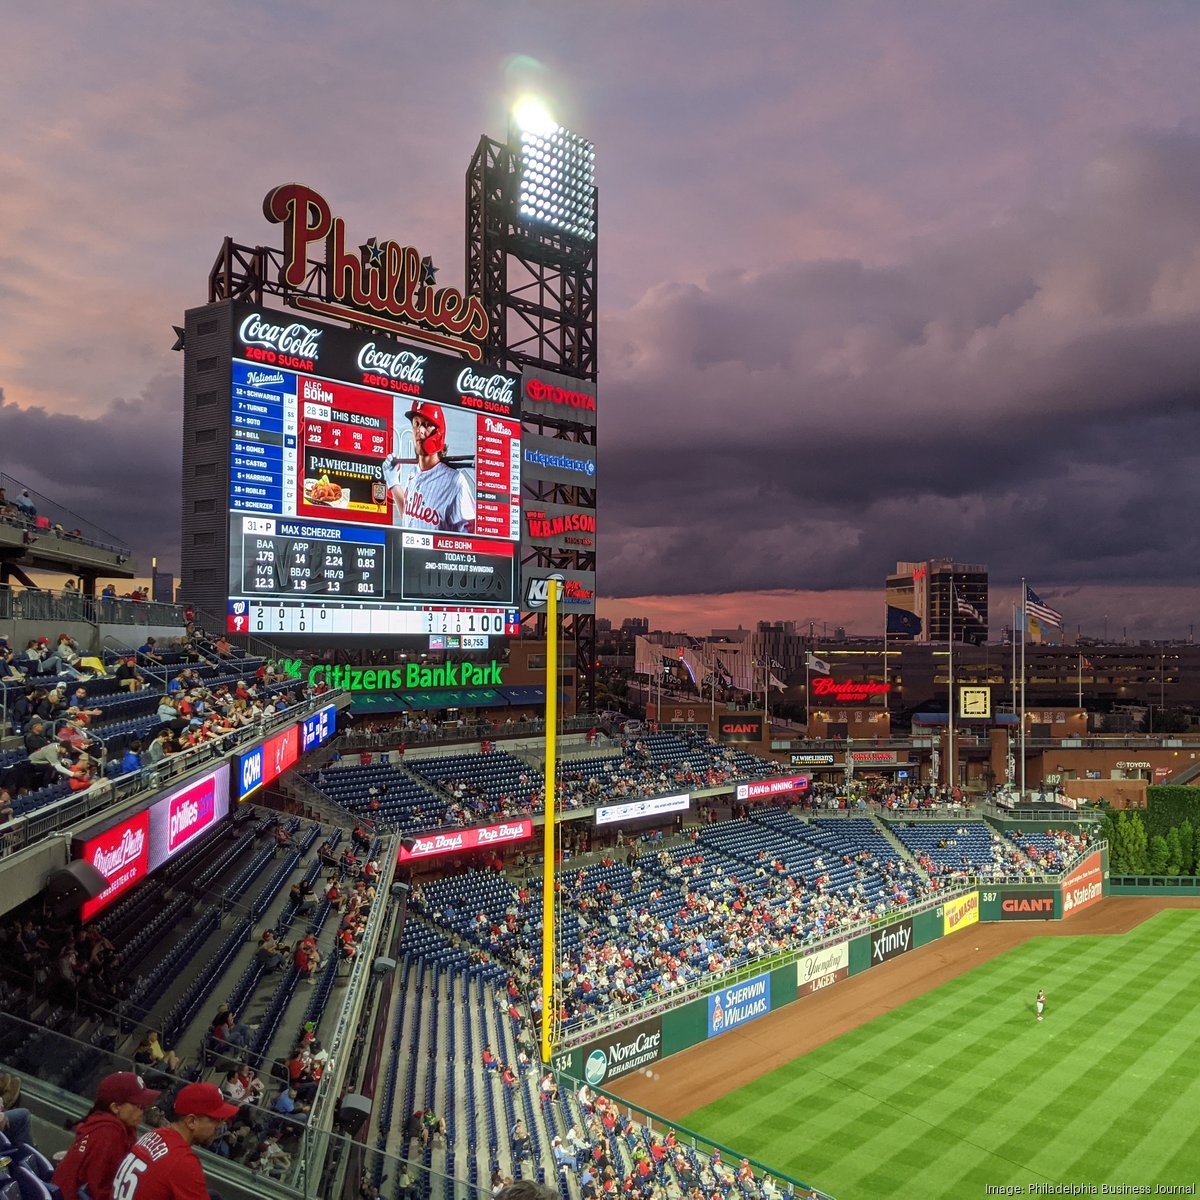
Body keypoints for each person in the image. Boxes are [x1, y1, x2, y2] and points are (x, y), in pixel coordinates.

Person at [109, 1081, 238, 1199]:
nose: (221, 1126)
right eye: (217, 1120)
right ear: (191, 1121)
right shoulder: (184, 1162)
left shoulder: (154, 1133)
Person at [54, 1071, 161, 1200]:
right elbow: (99, 1192)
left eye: (144, 1105)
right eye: (137, 1105)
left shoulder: (115, 1126)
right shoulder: (108, 1135)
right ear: (115, 1107)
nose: (142, 1110)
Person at [382, 401, 475, 533]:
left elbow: (470, 538)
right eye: (416, 424)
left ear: (438, 433)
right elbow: (410, 521)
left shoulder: (455, 482)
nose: (419, 430)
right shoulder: (413, 474)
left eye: (426, 425)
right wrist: (394, 484)